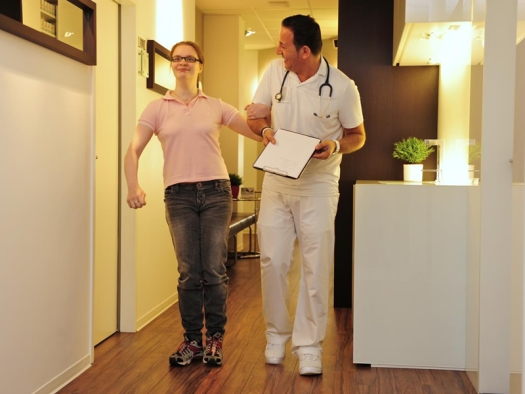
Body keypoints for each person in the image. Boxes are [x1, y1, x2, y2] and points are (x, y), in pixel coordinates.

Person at [124, 41, 262, 368]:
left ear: (201, 65)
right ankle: (191, 341)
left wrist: (266, 119)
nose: (182, 62)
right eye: (177, 58)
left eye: (189, 58)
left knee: (213, 269)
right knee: (189, 272)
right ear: (172, 65)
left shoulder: (215, 105)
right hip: (179, 196)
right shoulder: (157, 108)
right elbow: (132, 150)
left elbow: (255, 133)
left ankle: (215, 338)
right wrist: (133, 184)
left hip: (215, 192)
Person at [245, 15, 366, 375]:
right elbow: (255, 117)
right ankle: (276, 334)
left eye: (283, 44)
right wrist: (265, 129)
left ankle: (309, 345)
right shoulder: (273, 72)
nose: (277, 49)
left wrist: (334, 145)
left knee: (316, 265)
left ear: (305, 50)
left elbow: (358, 135)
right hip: (278, 182)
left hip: (317, 185)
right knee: (273, 260)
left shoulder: (343, 87)